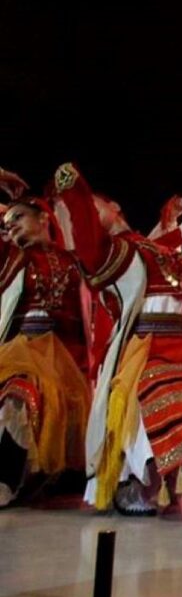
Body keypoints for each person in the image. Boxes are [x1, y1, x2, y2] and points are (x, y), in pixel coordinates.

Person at [53, 164, 182, 516]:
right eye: (86, 213)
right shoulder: (114, 252)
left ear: (116, 209)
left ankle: (152, 483)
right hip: (145, 350)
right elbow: (90, 248)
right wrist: (75, 193)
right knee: (157, 399)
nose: (91, 217)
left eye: (96, 208)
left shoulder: (159, 249)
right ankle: (128, 483)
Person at [0, 170, 91, 508]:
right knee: (17, 396)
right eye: (7, 222)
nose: (11, 226)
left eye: (19, 217)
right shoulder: (12, 257)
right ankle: (5, 480)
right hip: (22, 349)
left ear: (43, 218)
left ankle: (39, 483)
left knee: (66, 413)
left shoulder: (73, 261)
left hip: (68, 355)